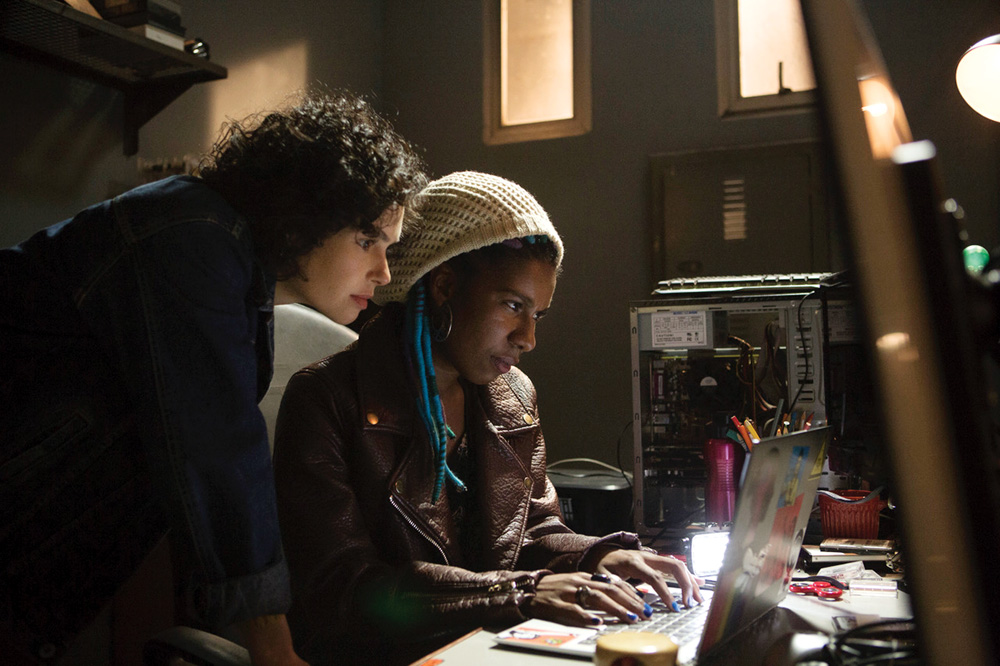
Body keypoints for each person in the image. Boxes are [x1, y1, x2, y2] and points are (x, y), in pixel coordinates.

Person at [0, 89, 426, 666]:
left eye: (389, 247)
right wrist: (275, 652)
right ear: (309, 215)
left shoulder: (226, 254)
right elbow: (221, 445)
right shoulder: (191, 235)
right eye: (367, 239)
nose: (381, 270)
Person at [272, 171, 704, 665]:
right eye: (512, 305)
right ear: (444, 285)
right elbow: (346, 592)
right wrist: (518, 595)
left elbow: (534, 531)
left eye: (537, 314)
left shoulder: (512, 395)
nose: (527, 338)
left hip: (490, 649)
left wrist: (599, 555)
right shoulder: (324, 398)